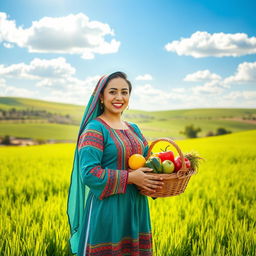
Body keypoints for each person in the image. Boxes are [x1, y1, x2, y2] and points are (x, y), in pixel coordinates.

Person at [67, 71, 164, 256]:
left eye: (124, 92)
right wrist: (131, 177)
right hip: (108, 210)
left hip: (136, 208)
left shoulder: (133, 129)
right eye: (112, 92)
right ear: (101, 97)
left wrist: (164, 175)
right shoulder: (95, 129)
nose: (119, 97)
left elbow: (148, 163)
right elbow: (89, 173)